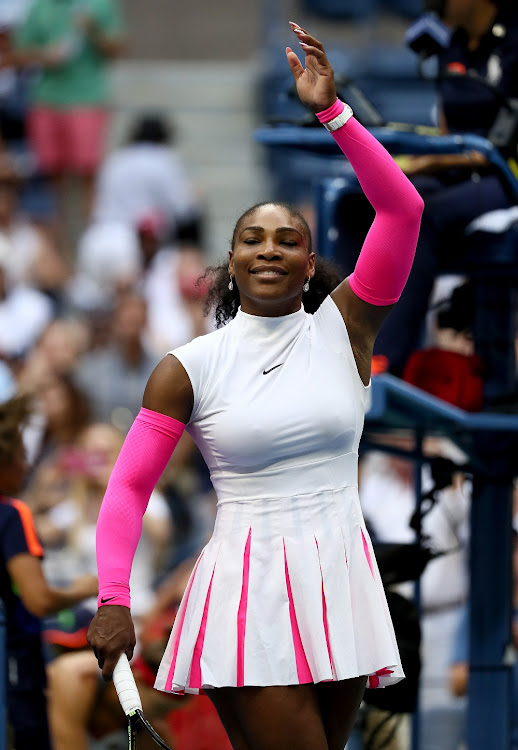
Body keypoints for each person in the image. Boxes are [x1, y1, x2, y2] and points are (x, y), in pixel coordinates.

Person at [86, 24, 424, 750]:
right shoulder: (187, 366)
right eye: (253, 238)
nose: (270, 246)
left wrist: (333, 114)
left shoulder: (346, 329)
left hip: (341, 576)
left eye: (288, 239)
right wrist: (114, 598)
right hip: (248, 588)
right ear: (231, 262)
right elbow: (126, 491)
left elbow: (403, 210)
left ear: (309, 264)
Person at [337, 0, 518, 377]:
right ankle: (339, 342)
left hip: (507, 176)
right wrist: (430, 162)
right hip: (458, 170)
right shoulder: (448, 44)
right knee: (356, 201)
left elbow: (500, 147)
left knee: (419, 211)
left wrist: (430, 163)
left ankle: (383, 360)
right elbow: (449, 126)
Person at [0, 393, 97, 750]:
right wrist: (82, 589)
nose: (27, 467)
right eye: (21, 458)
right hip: (13, 661)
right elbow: (38, 600)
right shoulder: (13, 514)